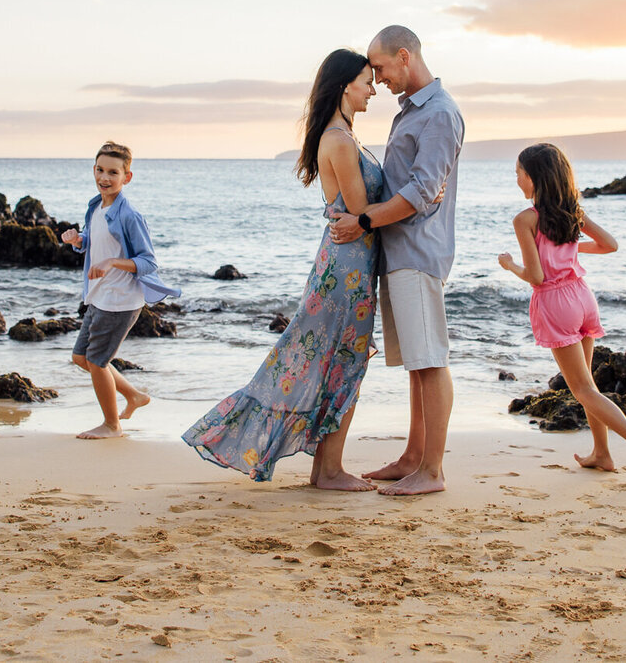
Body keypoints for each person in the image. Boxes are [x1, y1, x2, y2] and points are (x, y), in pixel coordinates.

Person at [183, 49, 385, 489]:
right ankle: (328, 470)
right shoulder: (338, 139)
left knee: (336, 361)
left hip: (349, 266)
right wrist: (419, 200)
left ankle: (326, 468)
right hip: (345, 272)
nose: (373, 89)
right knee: (339, 362)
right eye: (367, 81)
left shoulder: (344, 136)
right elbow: (360, 210)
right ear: (345, 84)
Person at [329, 25, 463, 496]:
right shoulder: (411, 112)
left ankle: (432, 471)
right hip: (399, 251)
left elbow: (422, 191)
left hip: (418, 251)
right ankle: (412, 457)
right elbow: (406, 183)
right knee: (416, 363)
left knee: (430, 360)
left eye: (381, 67)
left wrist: (363, 222)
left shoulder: (440, 114)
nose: (378, 78)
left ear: (404, 56)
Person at [498, 142, 626, 485]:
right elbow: (609, 245)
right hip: (583, 297)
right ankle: (601, 453)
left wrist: (511, 265)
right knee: (590, 384)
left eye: (518, 174)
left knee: (582, 389)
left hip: (557, 303)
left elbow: (537, 276)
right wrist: (568, 248)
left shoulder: (526, 219)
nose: (516, 180)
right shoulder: (573, 212)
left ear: (533, 177)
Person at [60, 141, 180, 440]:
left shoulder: (130, 215)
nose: (105, 177)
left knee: (97, 362)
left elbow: (148, 262)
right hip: (100, 295)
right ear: (93, 170)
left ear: (127, 177)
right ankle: (135, 396)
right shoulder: (96, 206)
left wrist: (113, 262)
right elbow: (98, 240)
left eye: (113, 172)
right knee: (81, 358)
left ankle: (112, 425)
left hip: (121, 301)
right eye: (100, 170)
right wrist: (79, 240)